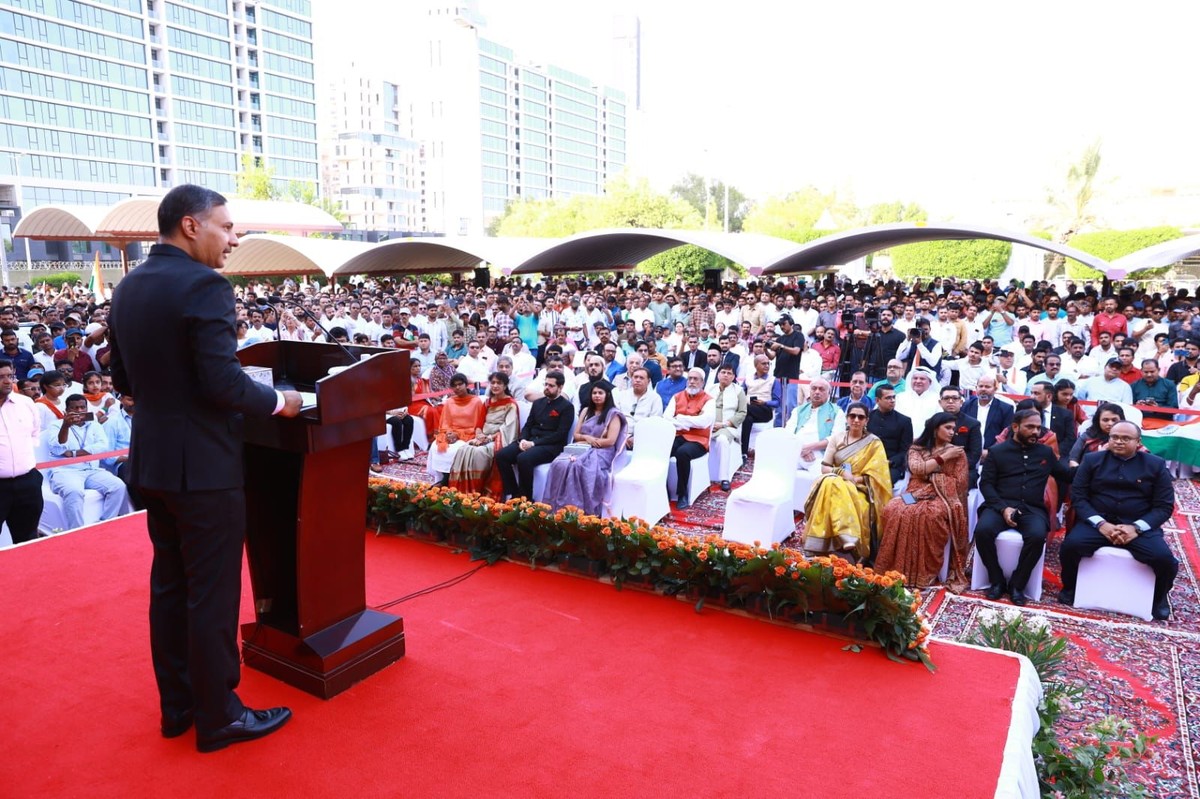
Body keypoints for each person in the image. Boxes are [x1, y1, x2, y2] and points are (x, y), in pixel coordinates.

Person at [107, 184, 304, 751]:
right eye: (227, 227)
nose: (235, 238)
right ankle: (221, 716)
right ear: (191, 226)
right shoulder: (204, 286)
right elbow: (221, 382)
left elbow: (124, 382)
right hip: (206, 471)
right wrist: (279, 402)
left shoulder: (130, 287)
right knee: (212, 596)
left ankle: (178, 708)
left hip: (154, 462)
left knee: (170, 587)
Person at [1060, 421, 1177, 619]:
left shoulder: (1155, 465)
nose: (1119, 442)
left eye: (1126, 438)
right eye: (1114, 437)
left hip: (1138, 525)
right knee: (1070, 546)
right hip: (1099, 523)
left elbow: (1164, 506)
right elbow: (1079, 498)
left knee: (1165, 560)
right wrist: (1101, 524)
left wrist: (1136, 528)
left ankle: (1159, 597)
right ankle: (1070, 587)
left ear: (1138, 442)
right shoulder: (1091, 460)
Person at [975, 409, 1072, 605]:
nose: (1036, 431)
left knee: (1037, 536)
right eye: (1030, 427)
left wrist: (1091, 463)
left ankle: (1017, 584)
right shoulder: (998, 452)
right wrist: (1003, 508)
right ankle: (997, 580)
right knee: (983, 531)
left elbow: (1066, 475)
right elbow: (986, 484)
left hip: (1032, 509)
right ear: (1015, 427)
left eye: (1038, 427)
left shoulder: (1045, 452)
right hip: (999, 506)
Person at [876, 412, 970, 591]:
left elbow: (959, 482)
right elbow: (917, 469)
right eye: (948, 428)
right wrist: (942, 460)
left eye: (953, 428)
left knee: (930, 515)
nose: (952, 432)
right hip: (914, 492)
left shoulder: (958, 453)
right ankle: (893, 569)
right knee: (894, 508)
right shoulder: (917, 449)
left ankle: (923, 574)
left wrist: (933, 476)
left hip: (941, 496)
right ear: (935, 429)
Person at [801, 402, 892, 559]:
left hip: (859, 486)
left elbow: (878, 475)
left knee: (832, 486)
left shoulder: (874, 443)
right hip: (836, 480)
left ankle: (823, 544)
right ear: (847, 419)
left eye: (860, 417)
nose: (856, 420)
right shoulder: (837, 438)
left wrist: (854, 479)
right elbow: (825, 467)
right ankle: (846, 535)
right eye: (852, 416)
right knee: (831, 481)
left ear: (866, 421)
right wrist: (842, 473)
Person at [43, 393, 129, 529]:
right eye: (75, 408)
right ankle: (76, 531)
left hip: (91, 469)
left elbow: (102, 446)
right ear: (66, 411)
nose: (79, 411)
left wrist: (74, 453)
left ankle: (105, 524)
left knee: (118, 486)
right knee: (74, 492)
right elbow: (58, 448)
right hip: (65, 470)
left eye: (82, 407)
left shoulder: (93, 424)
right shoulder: (56, 425)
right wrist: (65, 426)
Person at [544, 382, 627, 516]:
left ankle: (579, 510)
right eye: (594, 393)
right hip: (582, 446)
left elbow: (610, 441)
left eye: (600, 393)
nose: (597, 396)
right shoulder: (586, 411)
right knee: (558, 463)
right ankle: (557, 507)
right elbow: (576, 435)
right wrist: (588, 439)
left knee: (578, 466)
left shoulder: (613, 415)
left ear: (608, 395)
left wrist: (592, 442)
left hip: (603, 451)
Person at [496, 371, 575, 500]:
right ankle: (514, 493)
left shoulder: (567, 407)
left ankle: (526, 498)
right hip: (531, 440)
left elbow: (560, 434)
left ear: (560, 387)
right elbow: (528, 425)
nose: (547, 388)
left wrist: (533, 444)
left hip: (551, 446)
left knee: (524, 458)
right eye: (546, 384)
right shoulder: (538, 403)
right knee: (502, 455)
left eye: (551, 386)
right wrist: (523, 439)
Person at [448, 372, 520, 496]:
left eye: (499, 383)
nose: (495, 385)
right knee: (463, 450)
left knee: (478, 453)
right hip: (483, 437)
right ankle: (461, 491)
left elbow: (508, 429)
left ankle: (477, 491)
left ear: (505, 385)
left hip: (499, 439)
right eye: (493, 383)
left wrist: (488, 438)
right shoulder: (487, 402)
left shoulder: (511, 404)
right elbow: (479, 423)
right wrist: (479, 434)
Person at [0, 358, 44, 544]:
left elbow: (35, 432)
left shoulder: (26, 403)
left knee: (27, 540)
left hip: (27, 483)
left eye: (10, 376)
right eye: (1, 377)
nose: (7, 381)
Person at [664, 368, 715, 510]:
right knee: (663, 449)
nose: (692, 382)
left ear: (702, 382)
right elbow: (667, 417)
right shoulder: (677, 396)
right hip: (679, 435)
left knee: (682, 453)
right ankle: (663, 488)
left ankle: (682, 494)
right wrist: (688, 422)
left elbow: (704, 422)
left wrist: (681, 419)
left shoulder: (709, 401)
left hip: (699, 440)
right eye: (690, 378)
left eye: (696, 379)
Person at [427, 373, 486, 482]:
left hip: (469, 434)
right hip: (451, 433)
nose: (457, 387)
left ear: (466, 385)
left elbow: (478, 424)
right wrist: (449, 433)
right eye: (454, 385)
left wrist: (458, 435)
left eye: (460, 384)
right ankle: (443, 478)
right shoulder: (450, 402)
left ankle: (452, 480)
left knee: (455, 449)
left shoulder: (476, 401)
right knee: (436, 447)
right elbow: (445, 422)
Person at [708, 363, 747, 491]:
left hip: (728, 427)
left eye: (729, 373)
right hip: (709, 425)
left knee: (722, 440)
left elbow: (742, 413)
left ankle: (724, 478)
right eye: (723, 372)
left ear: (734, 377)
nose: (725, 375)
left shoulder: (738, 390)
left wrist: (724, 424)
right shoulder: (710, 389)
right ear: (718, 374)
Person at [867, 384, 912, 487]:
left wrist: (890, 462)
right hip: (868, 461)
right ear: (877, 400)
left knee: (881, 483)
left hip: (891, 465)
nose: (892, 400)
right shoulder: (868, 417)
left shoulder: (904, 421)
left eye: (893, 397)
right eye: (888, 398)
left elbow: (906, 450)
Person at [963, 375, 1014, 459]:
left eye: (987, 386)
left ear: (995, 389)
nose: (983, 389)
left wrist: (990, 451)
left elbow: (1007, 434)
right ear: (976, 388)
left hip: (994, 455)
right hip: (968, 455)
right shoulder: (966, 406)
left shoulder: (1006, 409)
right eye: (981, 386)